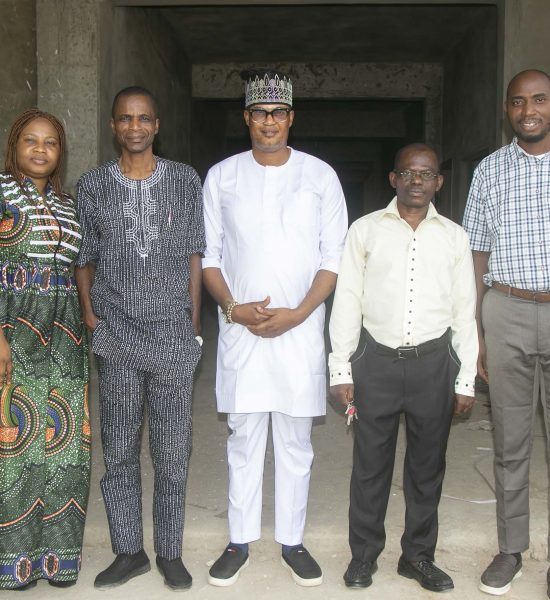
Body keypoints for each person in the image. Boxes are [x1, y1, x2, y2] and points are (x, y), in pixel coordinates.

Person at [202, 68, 348, 587]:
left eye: (278, 113)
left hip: (299, 331)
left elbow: (333, 259)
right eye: (259, 113)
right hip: (241, 328)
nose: (269, 122)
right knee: (243, 439)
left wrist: (300, 313)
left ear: (291, 118)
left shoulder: (320, 176)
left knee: (294, 441)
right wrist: (232, 307)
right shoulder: (222, 175)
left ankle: (292, 541)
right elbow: (210, 257)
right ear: (246, 118)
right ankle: (239, 540)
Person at [329, 143, 478, 593]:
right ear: (393, 180)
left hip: (434, 363)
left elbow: (464, 310)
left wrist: (465, 376)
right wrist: (342, 368)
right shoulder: (365, 230)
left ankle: (417, 557)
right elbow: (348, 300)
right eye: (408, 173)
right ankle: (363, 557)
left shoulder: (454, 236)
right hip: (375, 360)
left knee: (427, 467)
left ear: (439, 182)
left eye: (426, 173)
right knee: (370, 466)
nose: (417, 181)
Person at [75, 86, 204, 591]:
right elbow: (84, 258)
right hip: (118, 336)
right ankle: (129, 551)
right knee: (121, 450)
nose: (135, 127)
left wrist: (193, 328)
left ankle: (169, 551)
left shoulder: (185, 181)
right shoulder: (92, 186)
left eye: (144, 118)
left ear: (156, 125)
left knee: (173, 451)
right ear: (113, 126)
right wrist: (93, 319)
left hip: (173, 335)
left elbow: (195, 254)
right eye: (125, 119)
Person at [463, 69, 550, 597]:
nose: (529, 111)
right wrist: (476, 330)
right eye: (518, 102)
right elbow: (476, 252)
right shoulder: (490, 171)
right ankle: (511, 548)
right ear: (507, 109)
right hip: (507, 309)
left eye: (539, 99)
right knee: (510, 442)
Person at [0, 109, 89, 590]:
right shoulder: (1, 195)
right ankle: (14, 563)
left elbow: (79, 272)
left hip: (65, 338)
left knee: (64, 448)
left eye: (50, 143)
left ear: (60, 153)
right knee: (14, 450)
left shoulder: (67, 204)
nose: (40, 150)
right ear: (15, 145)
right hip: (14, 333)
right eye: (30, 141)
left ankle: (57, 559)